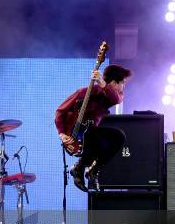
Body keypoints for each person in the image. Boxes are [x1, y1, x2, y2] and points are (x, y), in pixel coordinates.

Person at [56, 64, 132, 192]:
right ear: (114, 83)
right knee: (94, 137)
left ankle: (92, 170)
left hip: (90, 133)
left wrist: (103, 83)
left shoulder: (113, 96)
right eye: (122, 83)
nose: (123, 87)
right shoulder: (83, 92)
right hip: (76, 136)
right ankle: (79, 167)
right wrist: (62, 134)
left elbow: (117, 99)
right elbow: (60, 111)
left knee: (119, 136)